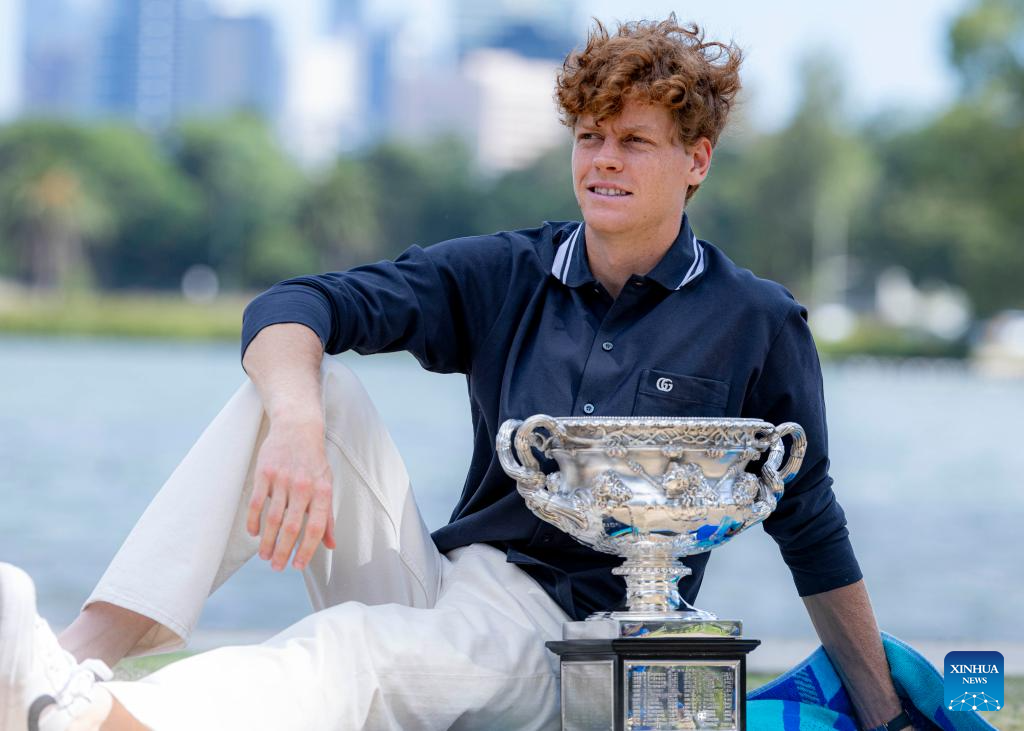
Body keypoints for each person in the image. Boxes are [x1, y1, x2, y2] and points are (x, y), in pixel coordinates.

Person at [0, 16, 914, 731]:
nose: (602, 160)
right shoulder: (511, 270)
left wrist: (883, 713)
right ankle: (75, 660)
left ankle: (103, 718)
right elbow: (294, 304)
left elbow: (812, 524)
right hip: (450, 586)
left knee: (355, 649)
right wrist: (296, 425)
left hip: (580, 631)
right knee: (311, 386)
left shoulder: (755, 318)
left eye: (634, 141)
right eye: (590, 136)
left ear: (696, 160)